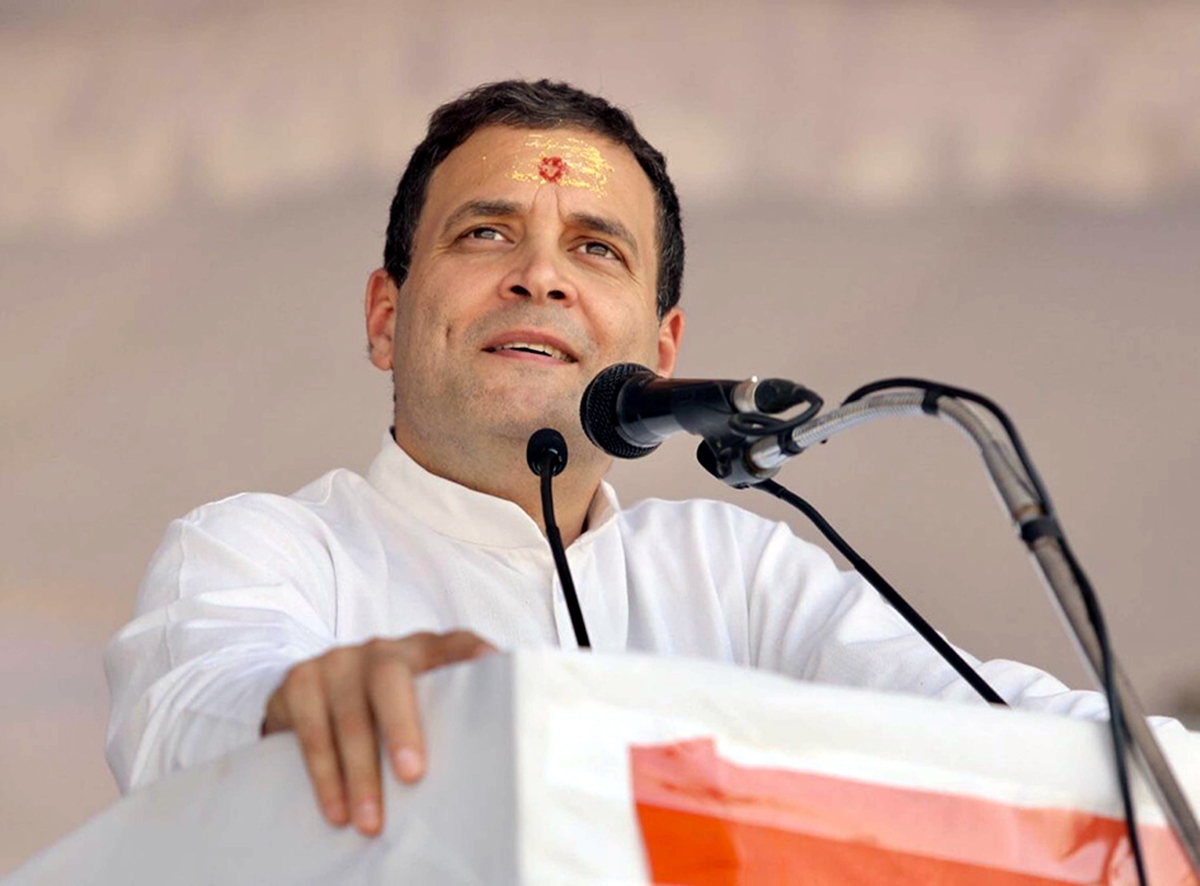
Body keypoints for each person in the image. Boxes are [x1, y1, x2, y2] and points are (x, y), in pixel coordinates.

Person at [104, 79, 1136, 839]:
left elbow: (1015, 729)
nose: (541, 276)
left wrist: (1167, 769)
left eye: (597, 248)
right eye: (486, 233)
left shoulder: (733, 572)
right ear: (386, 317)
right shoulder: (265, 551)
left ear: (663, 349)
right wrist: (302, 700)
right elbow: (191, 705)